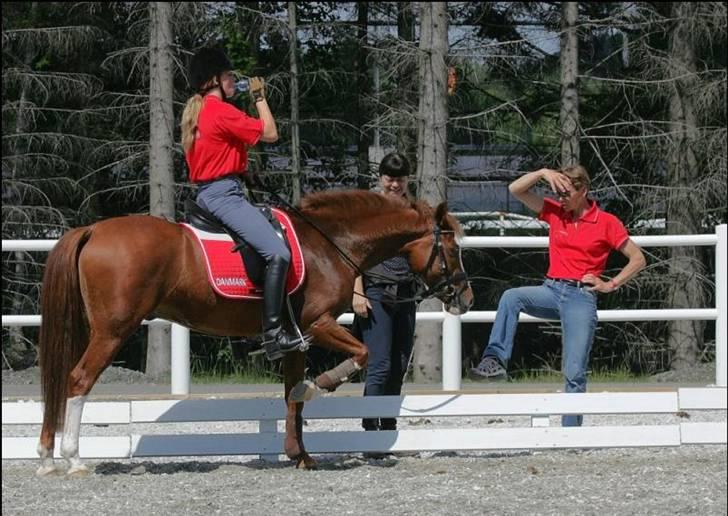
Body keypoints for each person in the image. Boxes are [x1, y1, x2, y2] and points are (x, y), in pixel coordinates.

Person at [469, 165, 646, 427]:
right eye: (558, 192)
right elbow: (515, 189)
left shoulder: (607, 222)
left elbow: (638, 258)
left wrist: (610, 284)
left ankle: (570, 432)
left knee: (574, 370)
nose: (561, 198)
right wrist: (542, 173)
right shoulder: (555, 213)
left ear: (583, 190)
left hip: (581, 297)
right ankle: (494, 359)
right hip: (551, 290)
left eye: (566, 193)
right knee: (511, 297)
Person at [180, 47, 304, 361]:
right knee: (278, 252)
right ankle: (274, 333)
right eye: (228, 76)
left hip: (215, 192)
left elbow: (217, 156)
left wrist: (243, 170)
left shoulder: (200, 112)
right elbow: (272, 133)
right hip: (224, 196)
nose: (233, 80)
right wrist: (260, 97)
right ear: (213, 81)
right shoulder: (221, 111)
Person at [352, 152, 417, 435]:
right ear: (381, 178)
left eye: (400, 179)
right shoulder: (369, 209)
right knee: (379, 362)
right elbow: (353, 252)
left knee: (400, 362)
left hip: (406, 291)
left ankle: (389, 423)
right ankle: (369, 424)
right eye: (390, 179)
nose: (395, 185)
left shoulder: (414, 210)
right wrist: (358, 291)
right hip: (376, 289)